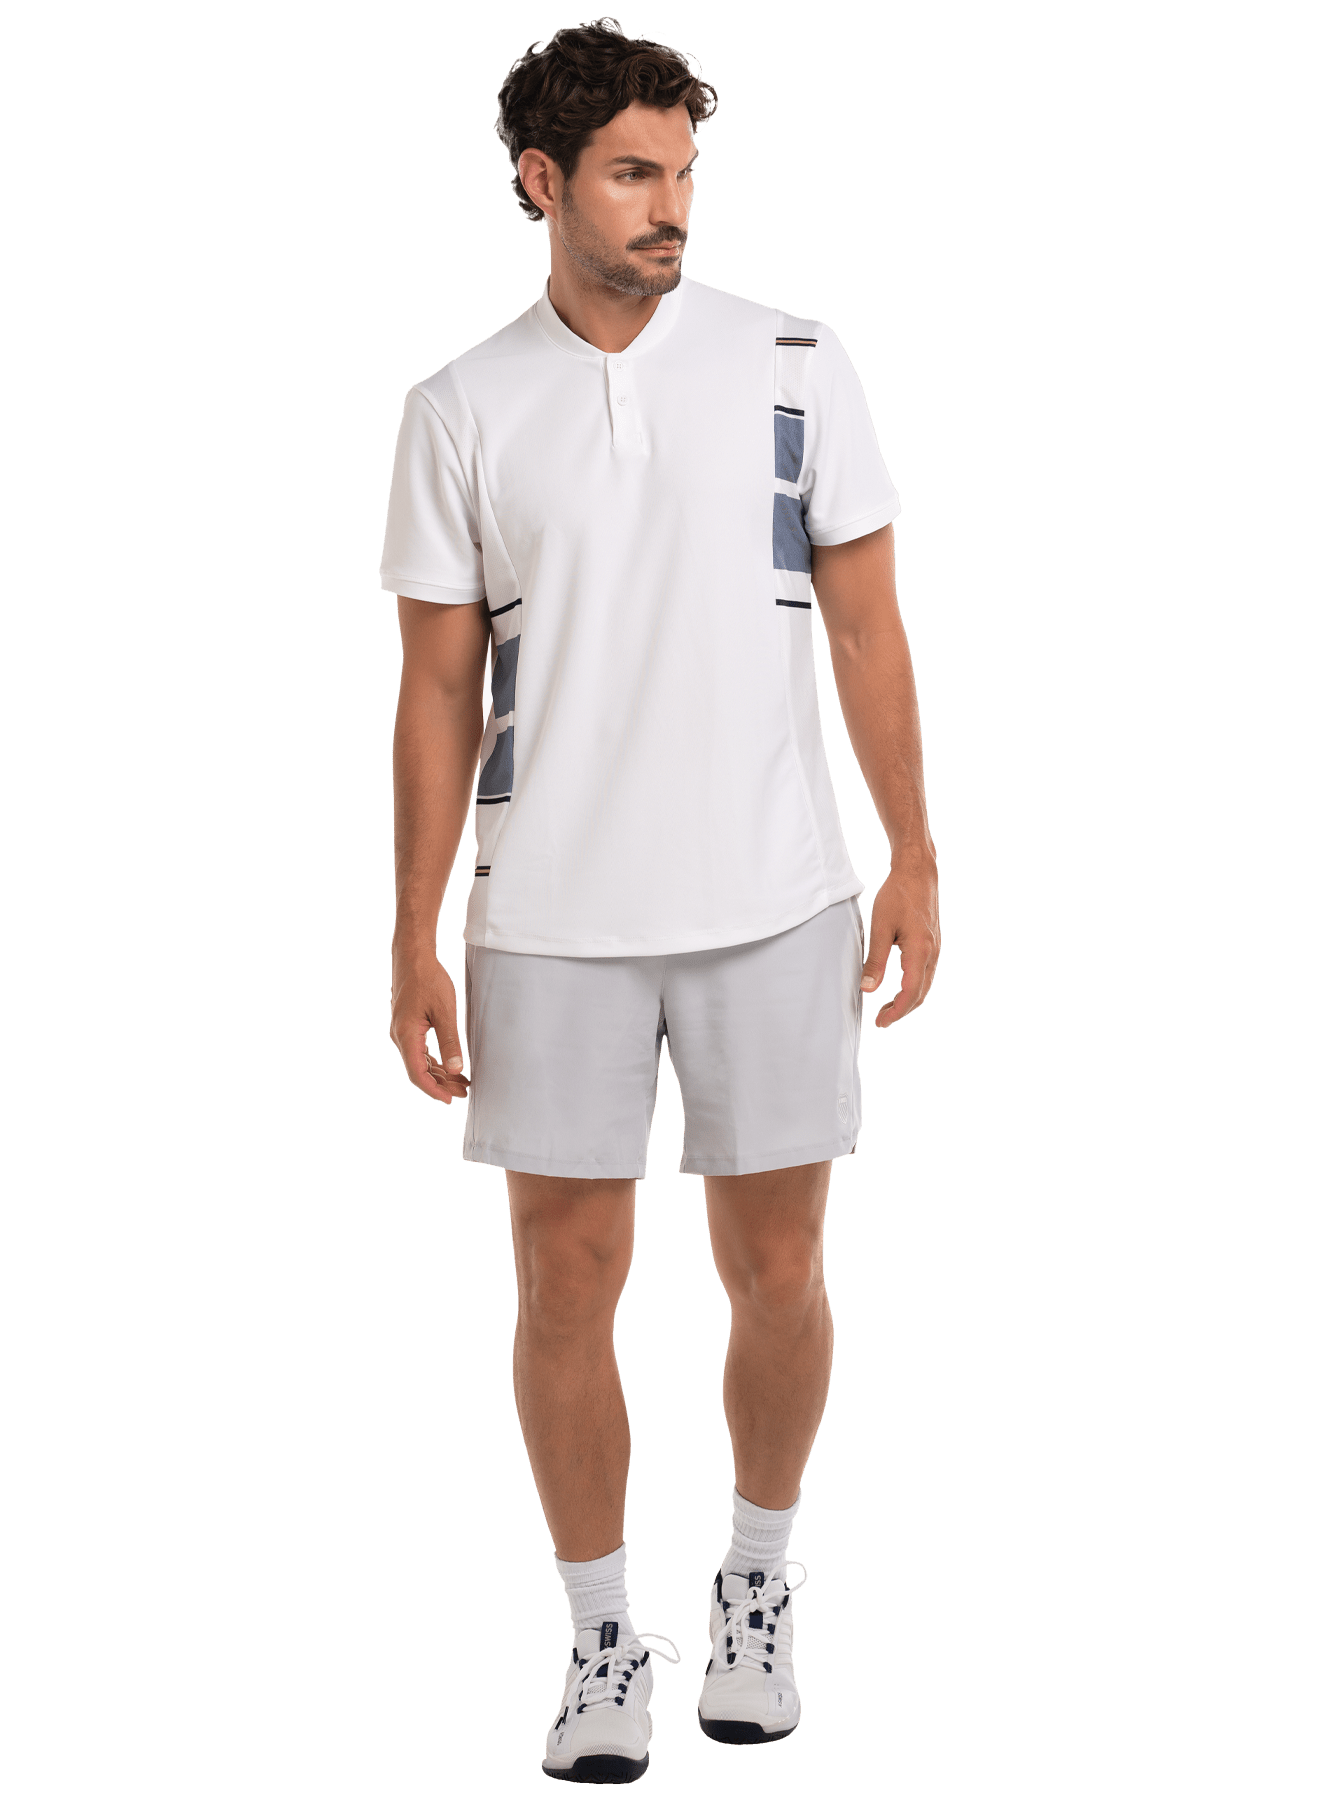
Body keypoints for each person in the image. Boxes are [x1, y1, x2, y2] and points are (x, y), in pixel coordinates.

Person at [380, 16, 939, 1785]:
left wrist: (914, 851)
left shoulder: (796, 361)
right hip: (547, 910)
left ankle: (759, 1584)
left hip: (775, 893)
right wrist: (410, 932)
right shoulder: (460, 408)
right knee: (567, 1283)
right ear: (541, 182)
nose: (669, 204)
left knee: (781, 1268)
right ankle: (601, 1639)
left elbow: (868, 629)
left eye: (683, 172)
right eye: (632, 173)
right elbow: (434, 692)